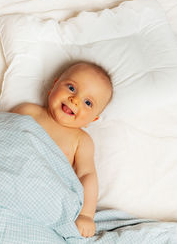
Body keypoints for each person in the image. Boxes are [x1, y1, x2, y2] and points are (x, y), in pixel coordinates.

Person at [12, 61, 113, 238]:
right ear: (54, 85)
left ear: (93, 120)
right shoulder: (27, 111)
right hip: (10, 178)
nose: (75, 100)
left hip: (43, 197)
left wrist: (86, 215)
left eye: (88, 102)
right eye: (72, 88)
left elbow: (87, 176)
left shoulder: (81, 140)